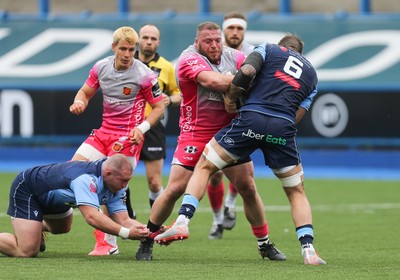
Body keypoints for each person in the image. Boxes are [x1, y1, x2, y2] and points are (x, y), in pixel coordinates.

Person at [155, 34, 327, 265]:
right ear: (300, 54)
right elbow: (298, 116)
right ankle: (308, 250)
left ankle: (183, 221)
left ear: (280, 47)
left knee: (205, 166)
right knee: (296, 192)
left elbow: (246, 72)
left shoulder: (268, 49)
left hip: (251, 120)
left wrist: (232, 99)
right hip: (282, 128)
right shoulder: (312, 76)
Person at [135, 22, 286, 262]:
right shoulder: (188, 58)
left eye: (217, 40)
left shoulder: (234, 55)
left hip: (229, 133)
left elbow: (257, 76)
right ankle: (148, 237)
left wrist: (249, 82)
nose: (214, 45)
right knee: (174, 188)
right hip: (196, 132)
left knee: (247, 187)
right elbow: (213, 82)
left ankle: (264, 243)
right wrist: (246, 83)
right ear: (198, 42)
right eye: (208, 41)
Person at [69, 26, 165, 256]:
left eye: (132, 49)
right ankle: (45, 226)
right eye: (123, 49)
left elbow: (159, 107)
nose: (127, 54)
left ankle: (108, 244)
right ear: (114, 47)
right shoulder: (101, 67)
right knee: (70, 173)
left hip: (128, 139)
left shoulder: (144, 74)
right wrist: (79, 102)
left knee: (109, 186)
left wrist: (141, 128)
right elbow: (84, 92)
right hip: (103, 133)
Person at [0, 154, 150, 258]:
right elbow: (92, 217)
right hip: (29, 191)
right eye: (123, 180)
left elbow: (124, 220)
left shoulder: (116, 184)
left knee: (62, 228)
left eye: (128, 180)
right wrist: (126, 233)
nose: (125, 185)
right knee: (27, 251)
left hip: (55, 198)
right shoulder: (85, 179)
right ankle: (30, 229)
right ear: (108, 173)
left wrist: (149, 231)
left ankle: (34, 225)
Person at [206, 11, 256, 239]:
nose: (235, 32)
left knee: (243, 170)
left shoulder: (253, 53)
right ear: (224, 30)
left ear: (244, 31)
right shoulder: (212, 50)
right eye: (231, 28)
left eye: (239, 29)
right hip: (214, 117)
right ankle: (217, 220)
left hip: (240, 117)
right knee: (214, 174)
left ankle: (230, 203)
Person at [126, 24, 181, 214]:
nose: (148, 42)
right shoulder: (126, 61)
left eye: (153, 39)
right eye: (145, 37)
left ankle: (154, 225)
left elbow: (178, 94)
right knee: (120, 177)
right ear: (138, 39)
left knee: (155, 182)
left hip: (152, 126)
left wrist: (170, 99)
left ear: (158, 42)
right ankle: (128, 216)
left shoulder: (166, 67)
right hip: (126, 126)